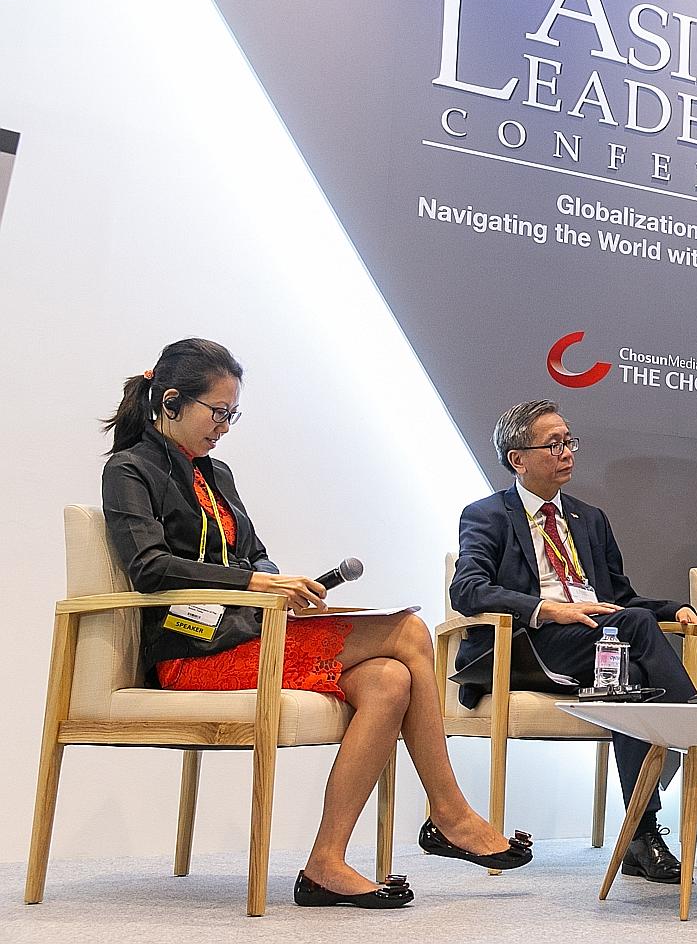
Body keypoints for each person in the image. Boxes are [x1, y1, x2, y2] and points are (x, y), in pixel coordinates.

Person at [101, 338, 525, 910]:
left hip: (251, 633)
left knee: (388, 681)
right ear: (172, 401)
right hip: (193, 651)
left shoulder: (216, 474)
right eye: (218, 412)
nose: (225, 426)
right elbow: (148, 568)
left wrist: (284, 585)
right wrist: (257, 585)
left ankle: (326, 863)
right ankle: (449, 813)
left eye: (233, 414)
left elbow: (256, 555)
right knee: (409, 633)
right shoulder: (128, 469)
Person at [449, 399, 697, 883]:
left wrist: (670, 608)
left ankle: (641, 833)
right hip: (529, 645)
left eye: (570, 440)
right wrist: (551, 608)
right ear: (517, 459)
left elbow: (619, 597)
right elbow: (466, 590)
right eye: (554, 444)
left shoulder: (588, 519)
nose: (568, 451)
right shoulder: (487, 515)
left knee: (630, 679)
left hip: (598, 643)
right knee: (630, 630)